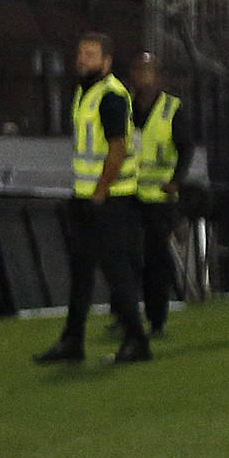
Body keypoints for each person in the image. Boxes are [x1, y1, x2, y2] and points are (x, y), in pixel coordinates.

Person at [34, 32, 152, 365]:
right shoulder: (86, 93)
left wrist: (99, 194)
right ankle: (72, 341)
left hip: (108, 200)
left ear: (106, 61)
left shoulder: (110, 96)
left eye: (91, 54)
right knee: (82, 272)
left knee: (116, 273)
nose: (83, 59)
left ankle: (136, 341)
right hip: (88, 197)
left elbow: (117, 149)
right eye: (81, 53)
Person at [128, 52, 193, 336]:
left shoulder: (171, 108)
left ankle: (157, 320)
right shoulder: (125, 107)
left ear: (157, 76)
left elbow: (185, 148)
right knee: (125, 258)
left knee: (156, 260)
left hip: (160, 198)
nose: (143, 76)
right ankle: (125, 315)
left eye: (148, 71)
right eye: (139, 70)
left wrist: (176, 181)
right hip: (128, 195)